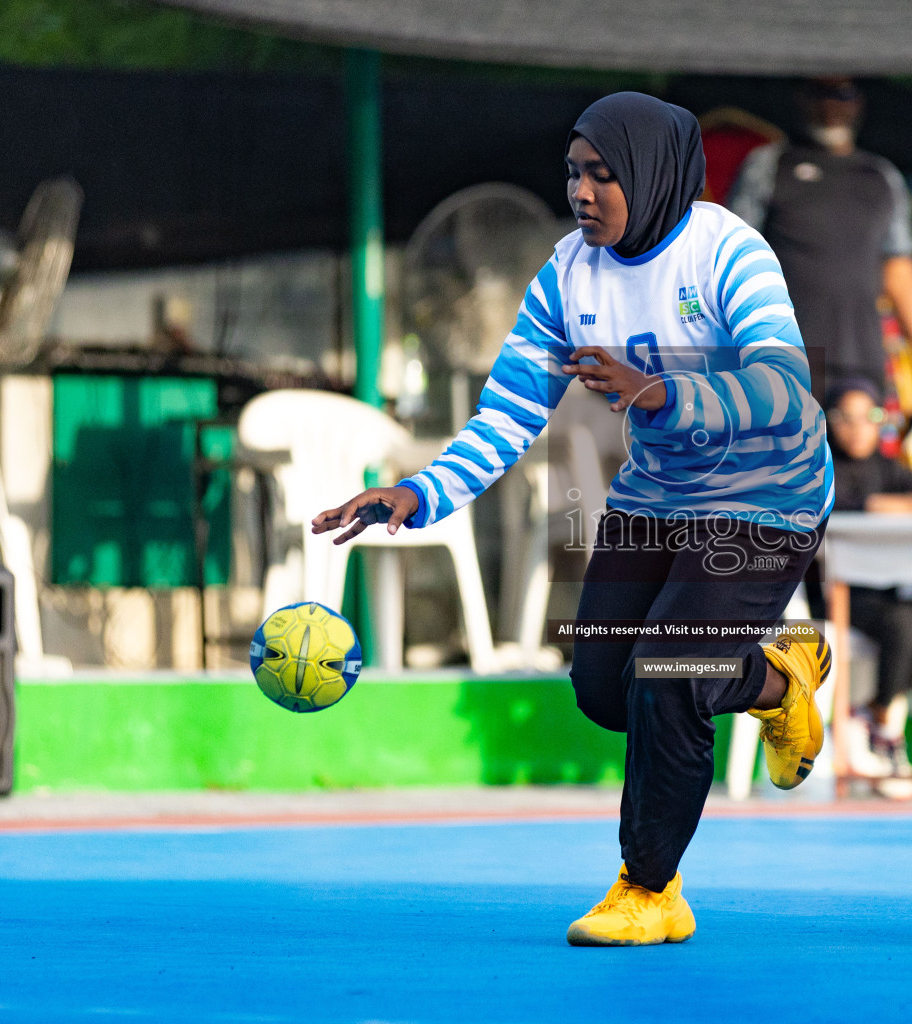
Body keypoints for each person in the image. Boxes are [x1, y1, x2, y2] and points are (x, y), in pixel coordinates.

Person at [311, 93, 833, 948]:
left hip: (765, 498)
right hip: (655, 498)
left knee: (668, 673)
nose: (583, 191)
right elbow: (511, 412)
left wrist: (660, 391)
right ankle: (776, 680)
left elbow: (785, 388)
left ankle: (650, 888)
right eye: (574, 173)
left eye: (604, 174)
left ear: (654, 176)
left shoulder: (728, 251)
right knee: (604, 689)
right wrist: (418, 494)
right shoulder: (567, 270)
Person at [727, 77, 912, 408]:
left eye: (842, 95)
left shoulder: (881, 176)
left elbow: (899, 268)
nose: (831, 105)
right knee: (784, 459)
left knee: (858, 460)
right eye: (820, 93)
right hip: (782, 355)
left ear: (859, 103)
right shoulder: (769, 165)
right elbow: (731, 258)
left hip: (861, 360)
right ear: (802, 99)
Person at [828, 377, 912, 786]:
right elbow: (835, 504)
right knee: (904, 622)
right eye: (847, 417)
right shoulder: (819, 466)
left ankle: (871, 712)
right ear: (830, 421)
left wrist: (888, 506)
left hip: (891, 588)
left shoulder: (887, 467)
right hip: (840, 594)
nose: (859, 427)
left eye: (871, 417)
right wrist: (880, 506)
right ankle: (884, 733)